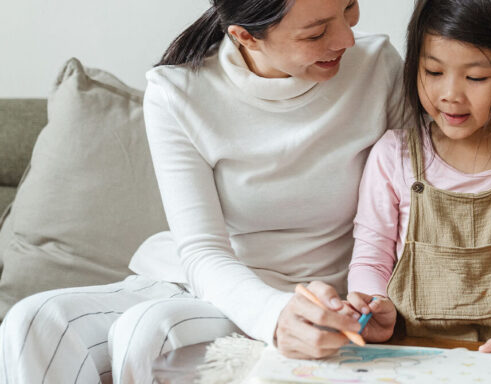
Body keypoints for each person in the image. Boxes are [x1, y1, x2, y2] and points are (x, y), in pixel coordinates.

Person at [0, 0, 404, 382]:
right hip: (211, 283)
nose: (346, 39)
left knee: (149, 331)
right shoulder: (177, 91)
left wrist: (368, 298)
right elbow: (202, 250)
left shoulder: (378, 67)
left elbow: (413, 201)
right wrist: (274, 315)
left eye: (348, 7)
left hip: (314, 292)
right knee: (34, 320)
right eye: (316, 33)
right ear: (245, 36)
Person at [344, 0, 491, 366]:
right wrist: (372, 302)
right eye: (433, 71)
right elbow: (371, 258)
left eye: (475, 77)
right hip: (414, 353)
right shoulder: (394, 155)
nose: (450, 94)